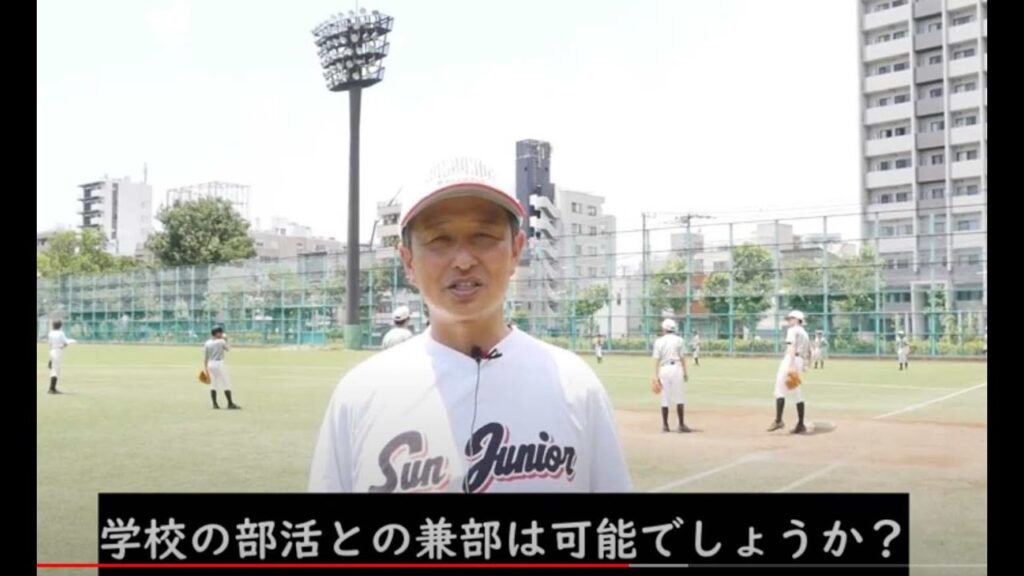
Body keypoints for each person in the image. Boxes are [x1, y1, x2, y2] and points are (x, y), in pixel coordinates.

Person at [309, 156, 632, 493]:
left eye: (484, 236)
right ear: (408, 261)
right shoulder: (359, 395)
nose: (463, 261)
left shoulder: (576, 386)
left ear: (516, 250)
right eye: (439, 240)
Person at [768, 310, 811, 434]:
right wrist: (806, 364)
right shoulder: (805, 333)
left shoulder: (792, 330)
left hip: (790, 360)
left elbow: (791, 347)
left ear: (797, 319)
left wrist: (791, 365)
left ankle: (778, 420)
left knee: (779, 390)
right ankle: (801, 424)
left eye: (791, 318)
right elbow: (809, 351)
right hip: (800, 361)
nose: (788, 320)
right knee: (796, 392)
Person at [653, 318, 691, 433]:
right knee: (679, 396)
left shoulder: (659, 341)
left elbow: (656, 359)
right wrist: (685, 372)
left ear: (664, 329)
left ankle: (665, 425)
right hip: (676, 368)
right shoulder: (679, 340)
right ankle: (681, 425)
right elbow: (682, 357)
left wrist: (655, 375)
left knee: (665, 397)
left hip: (664, 369)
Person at [204, 326, 240, 410]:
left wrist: (205, 368)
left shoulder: (207, 343)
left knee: (213, 384)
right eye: (220, 332)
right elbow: (228, 349)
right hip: (219, 363)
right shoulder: (221, 341)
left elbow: (206, 357)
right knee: (226, 383)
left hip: (210, 363)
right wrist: (226, 339)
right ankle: (230, 403)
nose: (221, 334)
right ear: (217, 333)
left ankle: (215, 404)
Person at [46, 320, 75, 394]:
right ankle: (52, 389)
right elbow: (65, 343)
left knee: (53, 369)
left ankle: (52, 388)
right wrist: (63, 346)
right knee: (56, 370)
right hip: (58, 351)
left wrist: (50, 359)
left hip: (52, 351)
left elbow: (50, 345)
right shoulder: (60, 333)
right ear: (60, 326)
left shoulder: (51, 333)